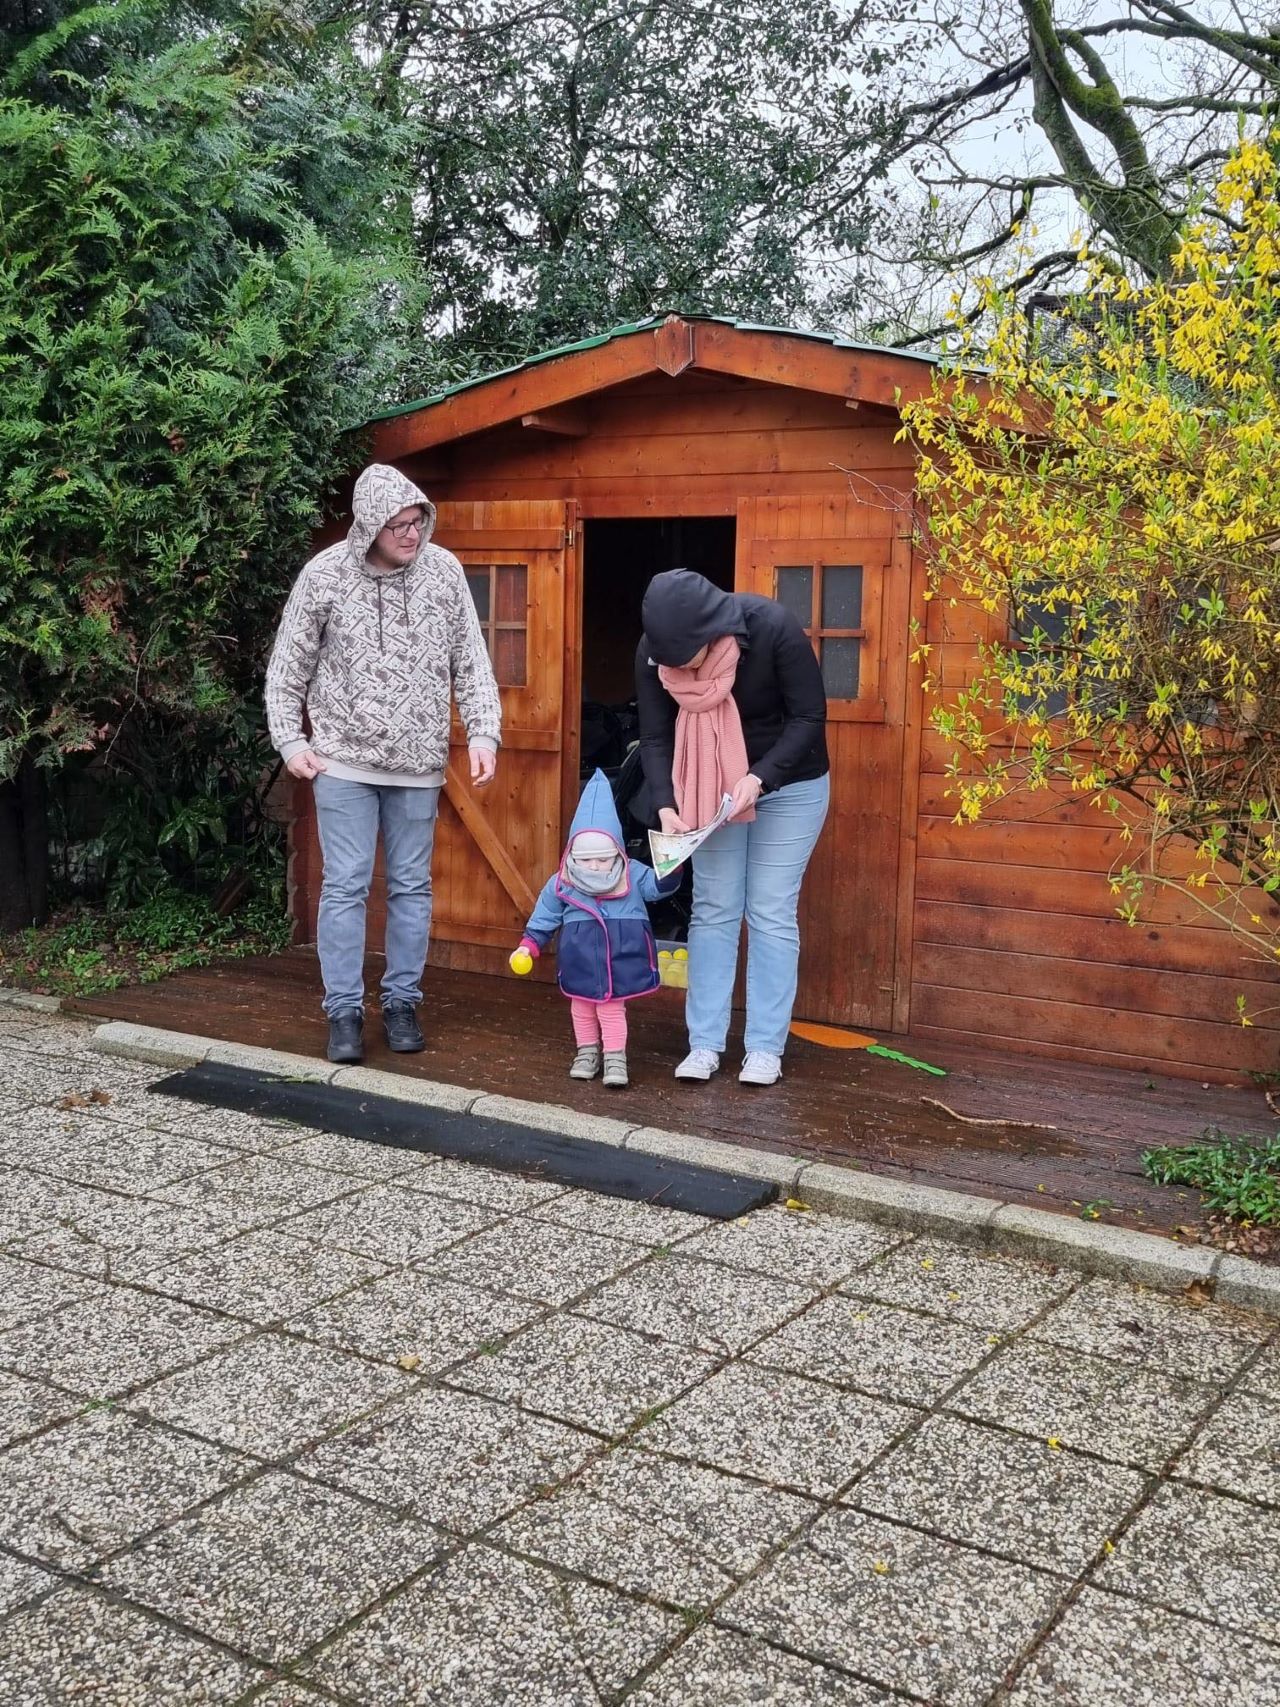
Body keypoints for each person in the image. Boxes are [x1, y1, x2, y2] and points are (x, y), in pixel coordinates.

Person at [265, 463, 501, 1064]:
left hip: (418, 766)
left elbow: (472, 662)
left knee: (411, 887)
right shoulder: (324, 575)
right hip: (342, 763)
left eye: (417, 521)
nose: (411, 534)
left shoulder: (444, 572)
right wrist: (291, 741)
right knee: (344, 886)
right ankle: (344, 1012)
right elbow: (288, 665)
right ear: (370, 524)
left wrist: (483, 733)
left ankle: (401, 1003)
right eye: (398, 525)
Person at [635, 568, 829, 1086]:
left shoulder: (772, 627)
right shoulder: (656, 653)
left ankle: (765, 1049)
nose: (679, 668)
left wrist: (759, 777)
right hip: (709, 790)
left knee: (770, 910)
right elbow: (654, 737)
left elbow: (809, 718)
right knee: (714, 907)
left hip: (789, 783)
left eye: (687, 658)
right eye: (670, 661)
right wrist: (666, 805)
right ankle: (704, 1045)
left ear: (710, 630)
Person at [509, 769, 680, 1088]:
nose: (595, 866)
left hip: (618, 960)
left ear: (617, 851)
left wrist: (672, 866)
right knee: (581, 1007)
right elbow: (544, 916)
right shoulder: (562, 882)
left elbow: (658, 888)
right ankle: (586, 1052)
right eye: (587, 860)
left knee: (612, 1009)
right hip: (580, 961)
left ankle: (615, 1058)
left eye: (603, 859)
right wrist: (529, 945)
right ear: (573, 855)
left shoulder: (631, 873)